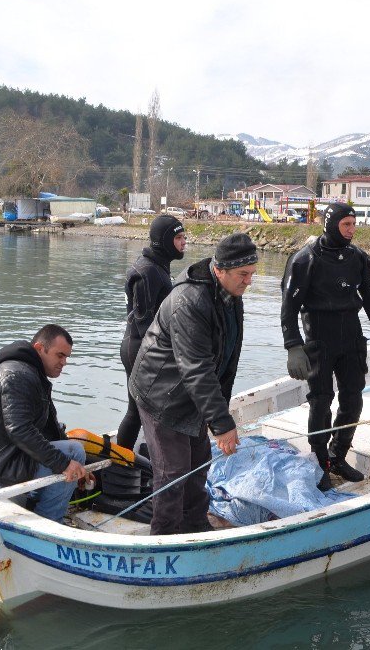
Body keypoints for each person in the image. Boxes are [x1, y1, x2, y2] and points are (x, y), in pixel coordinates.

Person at [129, 233, 257, 535]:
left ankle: (195, 525)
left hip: (194, 395)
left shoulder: (231, 296)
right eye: (243, 274)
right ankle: (163, 539)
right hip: (162, 395)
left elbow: (228, 359)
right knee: (172, 473)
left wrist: (218, 414)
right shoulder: (189, 301)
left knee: (199, 462)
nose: (248, 281)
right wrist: (223, 424)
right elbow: (197, 368)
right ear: (220, 269)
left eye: (252, 274)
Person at [282, 203, 370, 491]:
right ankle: (319, 463)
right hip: (319, 335)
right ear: (331, 224)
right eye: (346, 225)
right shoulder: (305, 259)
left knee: (353, 398)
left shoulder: (357, 257)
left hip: (351, 333)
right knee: (321, 400)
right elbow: (289, 306)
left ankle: (338, 455)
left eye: (354, 224)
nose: (352, 230)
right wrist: (293, 346)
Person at [0, 325, 89, 523]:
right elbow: (19, 429)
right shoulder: (18, 375)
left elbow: (46, 429)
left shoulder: (29, 373)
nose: (64, 362)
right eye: (59, 355)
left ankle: (36, 505)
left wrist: (78, 469)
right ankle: (50, 524)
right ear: (39, 348)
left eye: (66, 357)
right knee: (73, 453)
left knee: (73, 454)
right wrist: (65, 464)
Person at [116, 215, 186, 449]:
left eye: (184, 237)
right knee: (140, 412)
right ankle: (123, 462)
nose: (184, 242)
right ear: (163, 242)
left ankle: (127, 459)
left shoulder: (157, 268)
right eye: (178, 237)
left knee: (138, 412)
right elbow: (143, 322)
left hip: (141, 347)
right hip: (140, 349)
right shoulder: (147, 272)